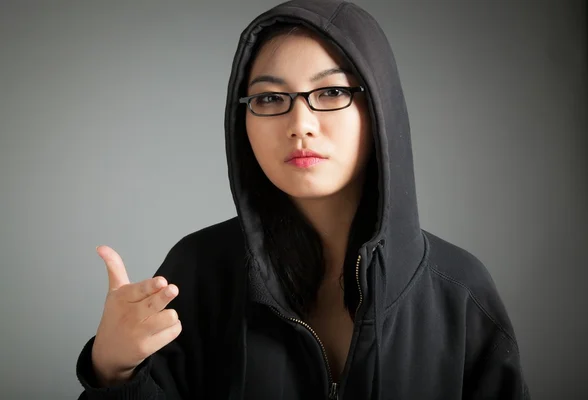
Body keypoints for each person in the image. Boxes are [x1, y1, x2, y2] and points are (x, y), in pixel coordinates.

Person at [76, 0, 530, 398]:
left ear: (380, 108)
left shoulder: (460, 291)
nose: (301, 123)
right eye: (270, 98)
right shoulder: (197, 271)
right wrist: (113, 371)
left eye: (331, 91)